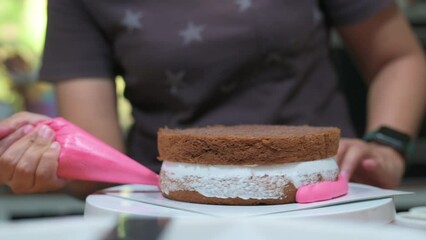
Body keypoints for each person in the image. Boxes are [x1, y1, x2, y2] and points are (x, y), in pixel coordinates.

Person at [0, 0, 425, 199]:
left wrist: (388, 144)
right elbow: (98, 163)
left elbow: (399, 57)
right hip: (176, 209)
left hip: (323, 198)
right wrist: (50, 158)